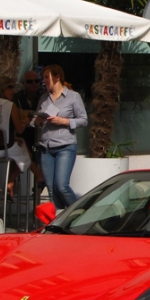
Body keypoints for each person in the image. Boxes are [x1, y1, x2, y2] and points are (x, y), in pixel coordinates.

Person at [0, 75, 43, 199]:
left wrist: (13, 138)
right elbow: (19, 129)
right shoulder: (10, 105)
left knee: (21, 146)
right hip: (3, 149)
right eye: (10, 87)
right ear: (1, 89)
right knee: (23, 151)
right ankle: (23, 179)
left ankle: (17, 181)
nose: (13, 91)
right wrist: (26, 121)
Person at [36, 64, 87, 209]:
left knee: (61, 186)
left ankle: (79, 214)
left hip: (65, 146)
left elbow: (83, 120)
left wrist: (64, 121)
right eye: (43, 77)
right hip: (46, 147)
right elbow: (35, 121)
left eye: (47, 77)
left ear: (57, 77)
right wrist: (38, 121)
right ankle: (58, 223)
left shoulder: (73, 96)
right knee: (52, 190)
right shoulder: (44, 98)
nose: (44, 80)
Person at [12, 69, 43, 164]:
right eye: (30, 81)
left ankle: (39, 176)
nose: (34, 83)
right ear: (23, 83)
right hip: (22, 135)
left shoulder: (44, 96)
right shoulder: (17, 97)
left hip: (40, 136)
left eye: (36, 81)